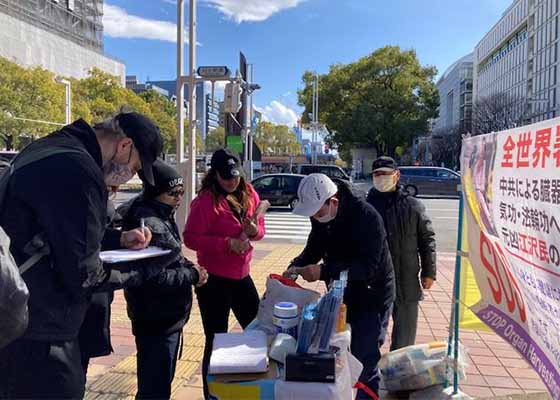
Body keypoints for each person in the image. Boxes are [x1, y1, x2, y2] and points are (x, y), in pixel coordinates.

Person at [0, 111, 163, 399]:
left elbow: (55, 232)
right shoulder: (79, 169)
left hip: (16, 316)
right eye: (135, 168)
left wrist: (120, 238)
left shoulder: (51, 147)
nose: (129, 177)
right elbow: (85, 275)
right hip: (42, 333)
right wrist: (144, 271)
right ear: (124, 146)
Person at [284, 173, 395, 399]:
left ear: (333, 201)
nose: (315, 217)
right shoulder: (321, 217)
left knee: (364, 359)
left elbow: (368, 268)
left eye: (318, 212)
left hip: (371, 294)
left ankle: (367, 394)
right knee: (341, 353)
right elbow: (314, 248)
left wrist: (324, 271)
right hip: (341, 293)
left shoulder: (367, 217)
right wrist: (295, 266)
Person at [122, 160, 208, 399]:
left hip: (164, 317)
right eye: (173, 193)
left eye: (181, 192)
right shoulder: (148, 224)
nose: (179, 198)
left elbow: (173, 257)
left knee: (157, 385)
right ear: (155, 193)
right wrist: (191, 275)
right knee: (155, 389)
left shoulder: (160, 213)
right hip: (156, 319)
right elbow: (152, 277)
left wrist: (191, 267)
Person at [183, 148, 265, 399]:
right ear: (214, 175)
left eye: (235, 175)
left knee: (258, 333)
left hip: (242, 277)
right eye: (225, 176)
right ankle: (212, 395)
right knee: (216, 339)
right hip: (213, 280)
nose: (231, 181)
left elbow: (260, 231)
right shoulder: (205, 201)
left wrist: (252, 232)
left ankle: (254, 387)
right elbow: (190, 238)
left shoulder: (249, 193)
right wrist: (226, 243)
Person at [366, 156, 436, 351]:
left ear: (397, 175)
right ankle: (370, 376)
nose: (381, 178)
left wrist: (429, 271)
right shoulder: (365, 206)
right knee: (369, 336)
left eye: (385, 174)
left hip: (406, 280)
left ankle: (398, 375)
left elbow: (427, 239)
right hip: (375, 282)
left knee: (404, 339)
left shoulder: (413, 206)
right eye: (377, 174)